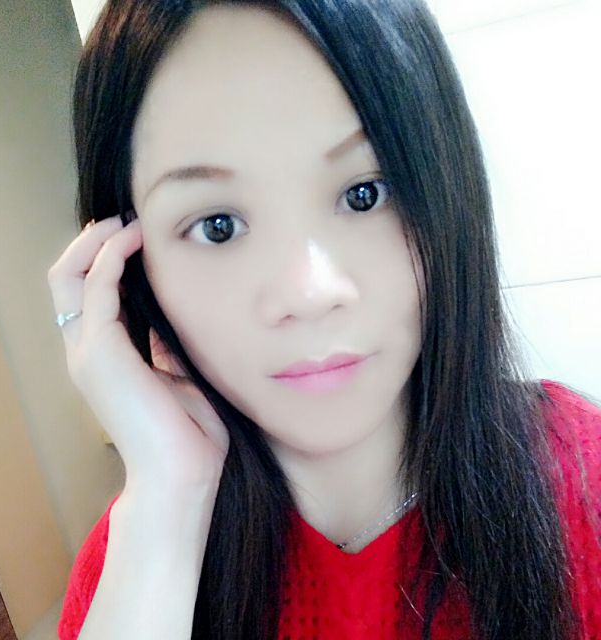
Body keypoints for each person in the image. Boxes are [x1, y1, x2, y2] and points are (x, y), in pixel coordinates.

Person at [48, 1, 601, 638]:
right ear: (129, 268)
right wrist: (168, 506)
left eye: (365, 194)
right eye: (217, 226)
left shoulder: (581, 480)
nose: (309, 293)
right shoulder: (136, 560)